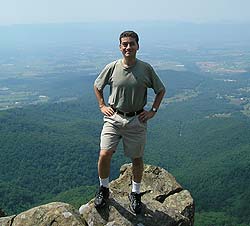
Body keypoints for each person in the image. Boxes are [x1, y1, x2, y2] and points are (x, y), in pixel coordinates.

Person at [93, 30, 165, 214]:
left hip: (137, 118)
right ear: (120, 47)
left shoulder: (145, 68)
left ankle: (135, 193)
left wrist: (153, 111)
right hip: (114, 117)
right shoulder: (112, 67)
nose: (128, 47)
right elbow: (97, 85)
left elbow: (160, 90)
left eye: (131, 43)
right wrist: (102, 105)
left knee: (137, 159)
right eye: (124, 44)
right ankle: (103, 189)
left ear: (137, 46)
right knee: (104, 154)